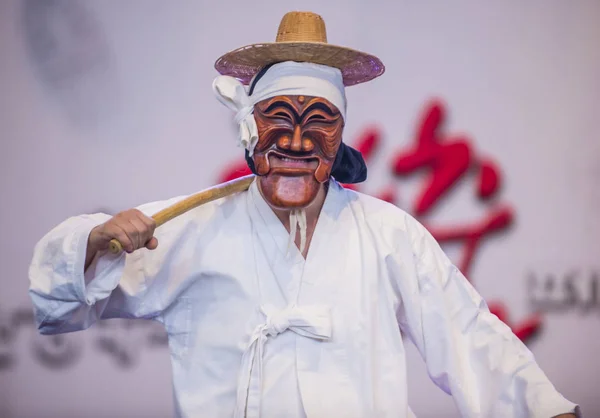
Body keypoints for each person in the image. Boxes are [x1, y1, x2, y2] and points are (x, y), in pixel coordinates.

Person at [28, 11, 580, 418]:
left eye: (319, 122)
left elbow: (466, 332)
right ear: (249, 129)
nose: (296, 140)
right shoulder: (191, 229)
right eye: (277, 119)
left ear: (340, 138)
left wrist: (543, 409)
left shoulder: (387, 234)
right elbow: (63, 301)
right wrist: (96, 241)